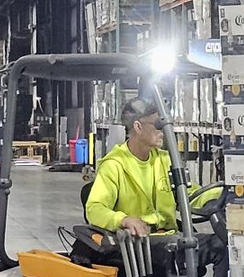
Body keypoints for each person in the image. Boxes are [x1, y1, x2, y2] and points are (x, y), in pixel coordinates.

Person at [84, 98, 204, 236]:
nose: (163, 131)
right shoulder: (114, 165)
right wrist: (123, 220)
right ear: (138, 127)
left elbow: (190, 193)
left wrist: (222, 194)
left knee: (218, 245)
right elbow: (94, 209)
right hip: (140, 245)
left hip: (170, 237)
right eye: (158, 125)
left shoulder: (165, 160)